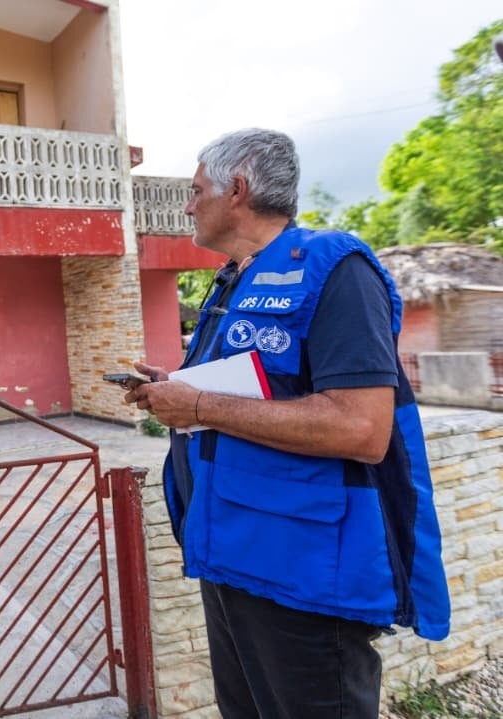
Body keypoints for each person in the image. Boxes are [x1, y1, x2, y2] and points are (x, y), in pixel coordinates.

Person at [126, 129, 449, 718]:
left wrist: (197, 407)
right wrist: (175, 388)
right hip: (230, 554)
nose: (188, 206)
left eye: (196, 191)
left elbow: (361, 428)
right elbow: (260, 385)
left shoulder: (335, 269)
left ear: (237, 190)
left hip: (303, 574)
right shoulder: (237, 278)